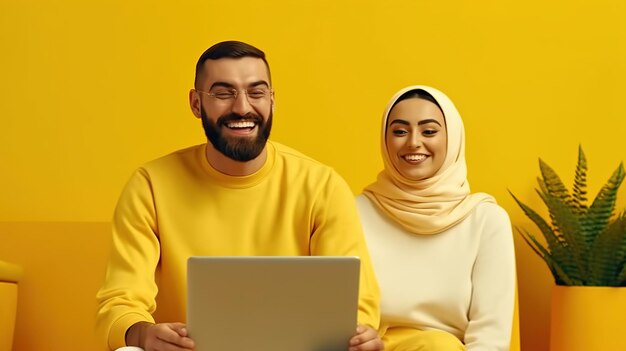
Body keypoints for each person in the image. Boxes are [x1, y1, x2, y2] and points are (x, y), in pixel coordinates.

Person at [96, 40, 382, 351]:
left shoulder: (322, 186)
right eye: (223, 93)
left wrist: (358, 335)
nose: (243, 107)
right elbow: (120, 301)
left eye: (256, 92)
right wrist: (141, 333)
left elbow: (353, 306)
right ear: (195, 103)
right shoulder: (150, 186)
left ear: (272, 100)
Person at [356, 85, 516, 350]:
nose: (413, 142)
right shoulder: (355, 212)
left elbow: (490, 339)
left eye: (429, 131)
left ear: (452, 138)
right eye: (399, 131)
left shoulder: (486, 221)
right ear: (384, 141)